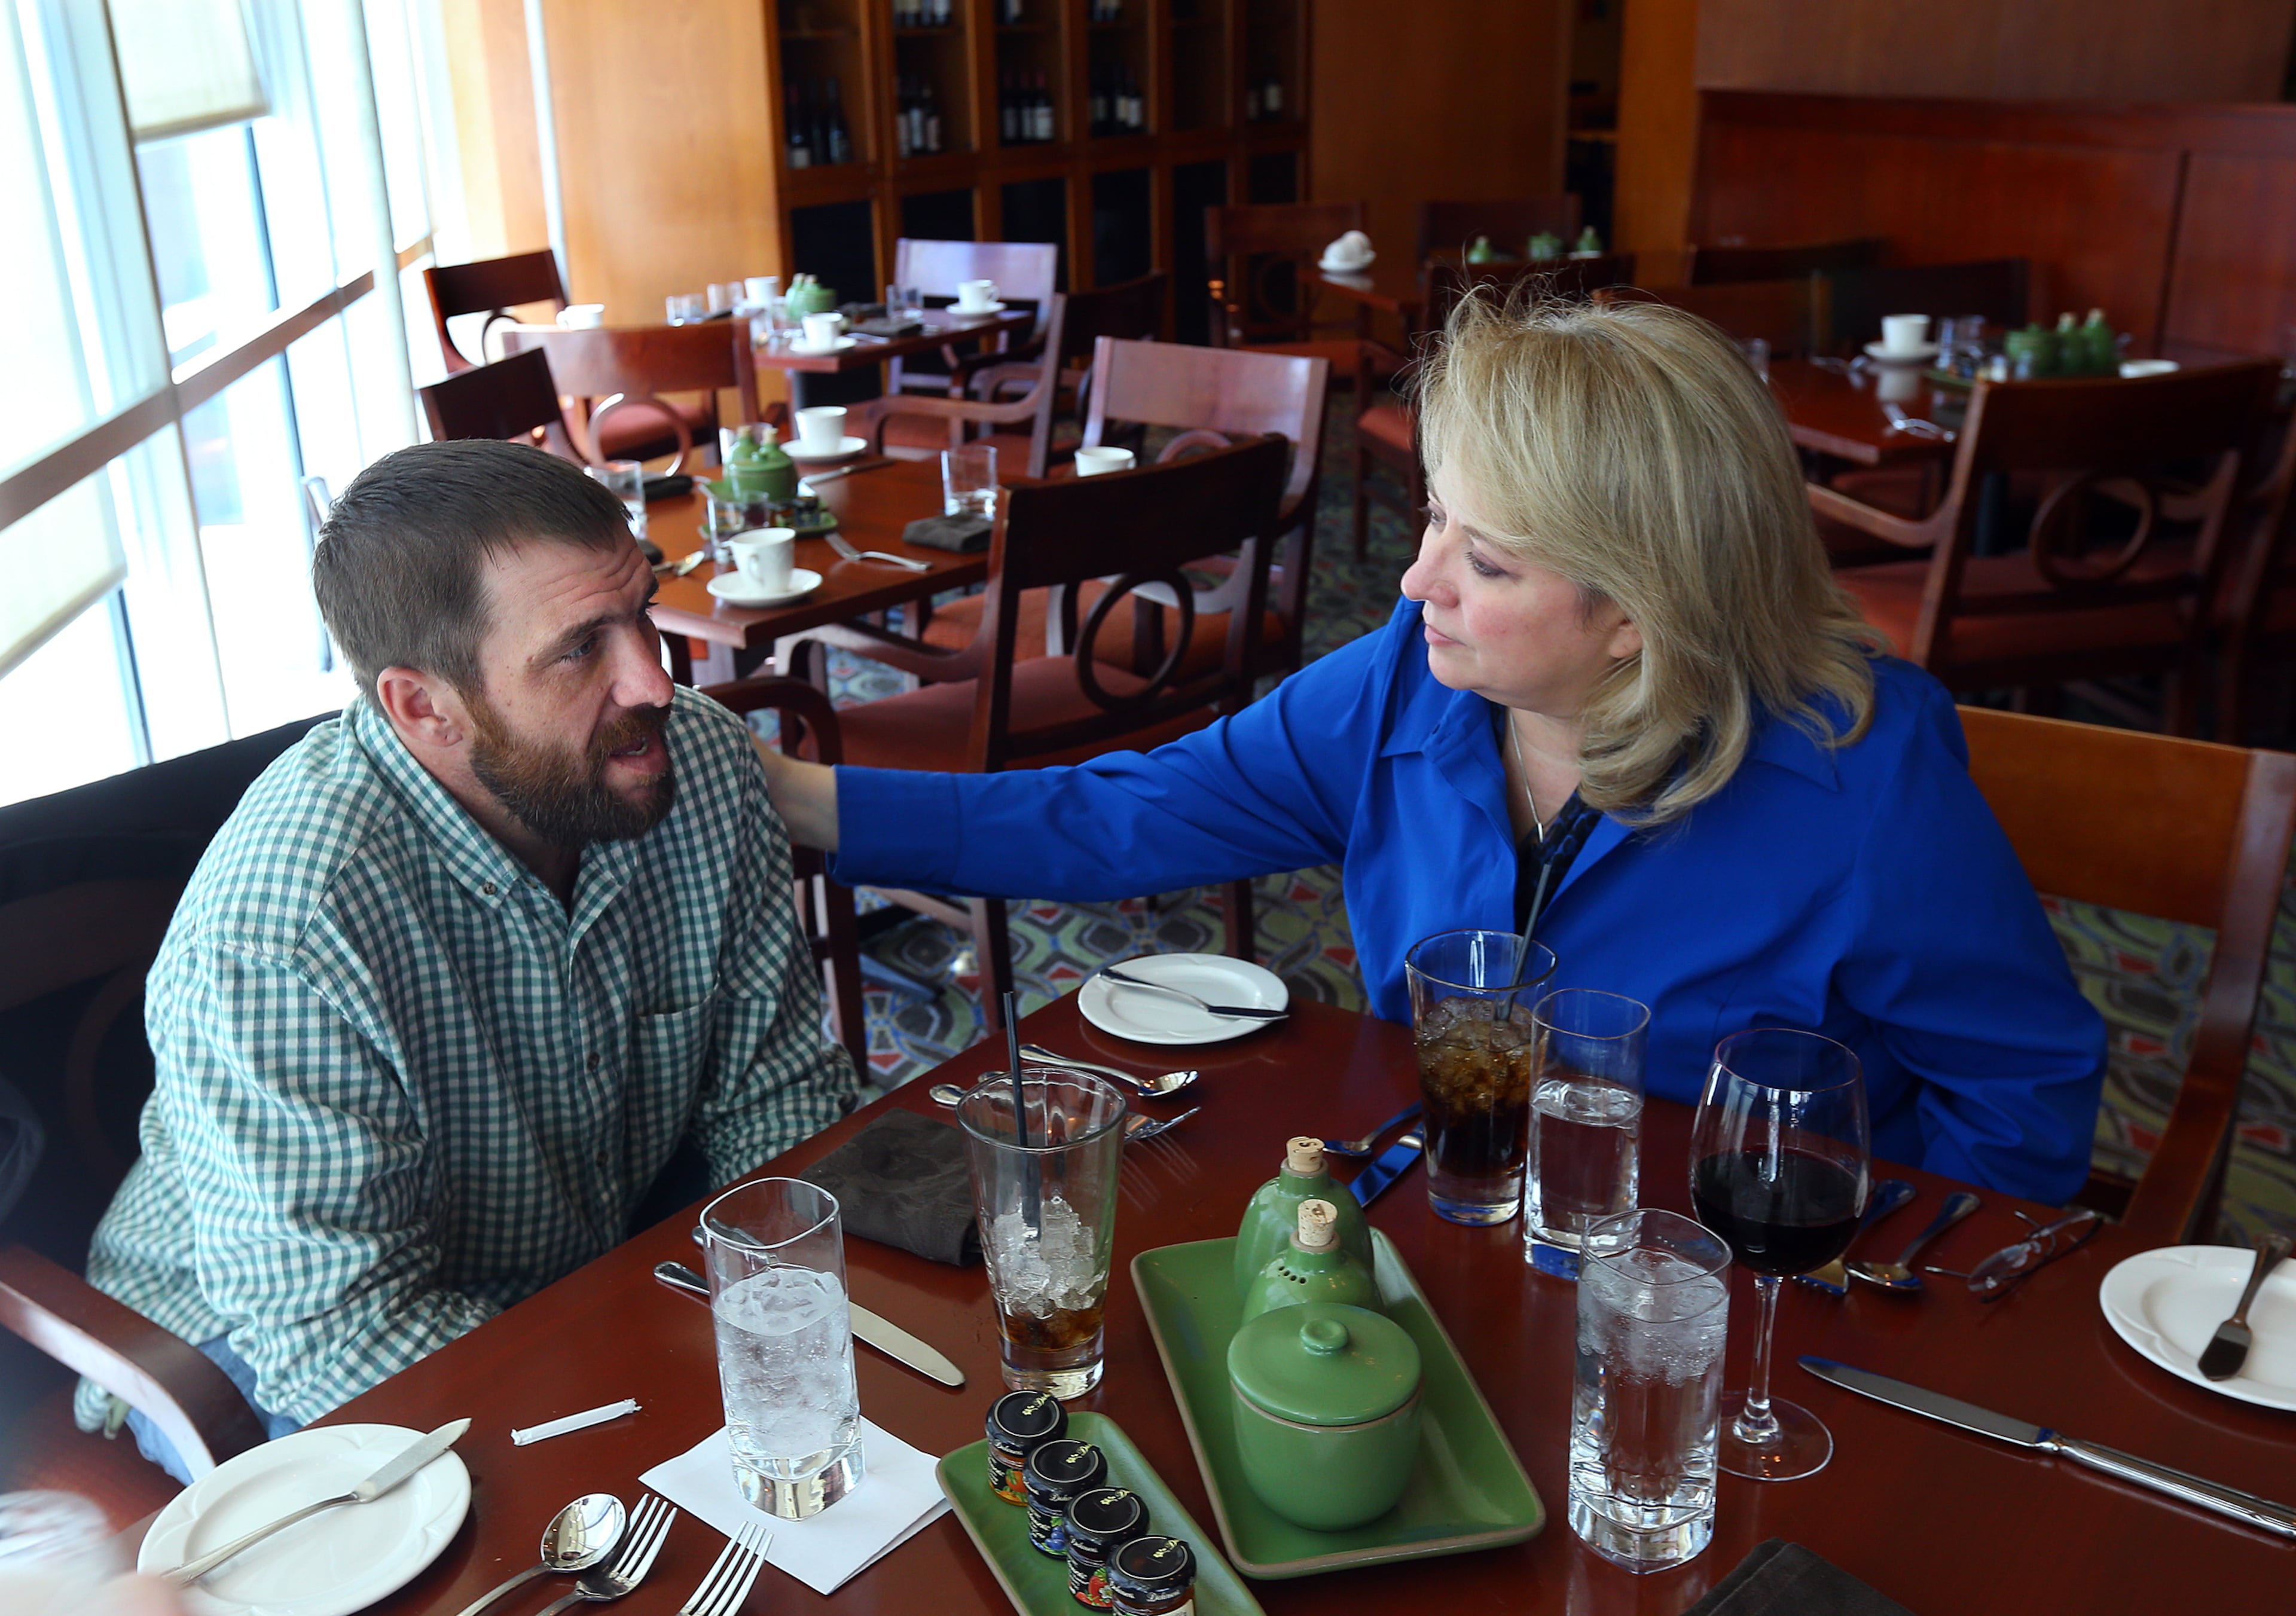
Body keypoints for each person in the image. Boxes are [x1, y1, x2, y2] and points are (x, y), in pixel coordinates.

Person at [761, 295, 2105, 1203]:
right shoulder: (1404, 684)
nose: (1416, 583)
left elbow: (2023, 1094)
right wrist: (797, 800)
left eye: (1488, 560)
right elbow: (1121, 814)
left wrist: (1867, 1294)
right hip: (1449, 1216)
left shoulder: (1861, 776)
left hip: (1716, 1281)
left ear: (1642, 613)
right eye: (1435, 519)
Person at [75, 441, 860, 1479]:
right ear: (423, 708)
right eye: (580, 649)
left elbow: (781, 1096)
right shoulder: (282, 936)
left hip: (580, 1253)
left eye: (643, 614)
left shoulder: (696, 765)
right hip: (247, 1348)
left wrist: (777, 1331)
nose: (656, 682)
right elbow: (339, 1343)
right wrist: (648, 1402)